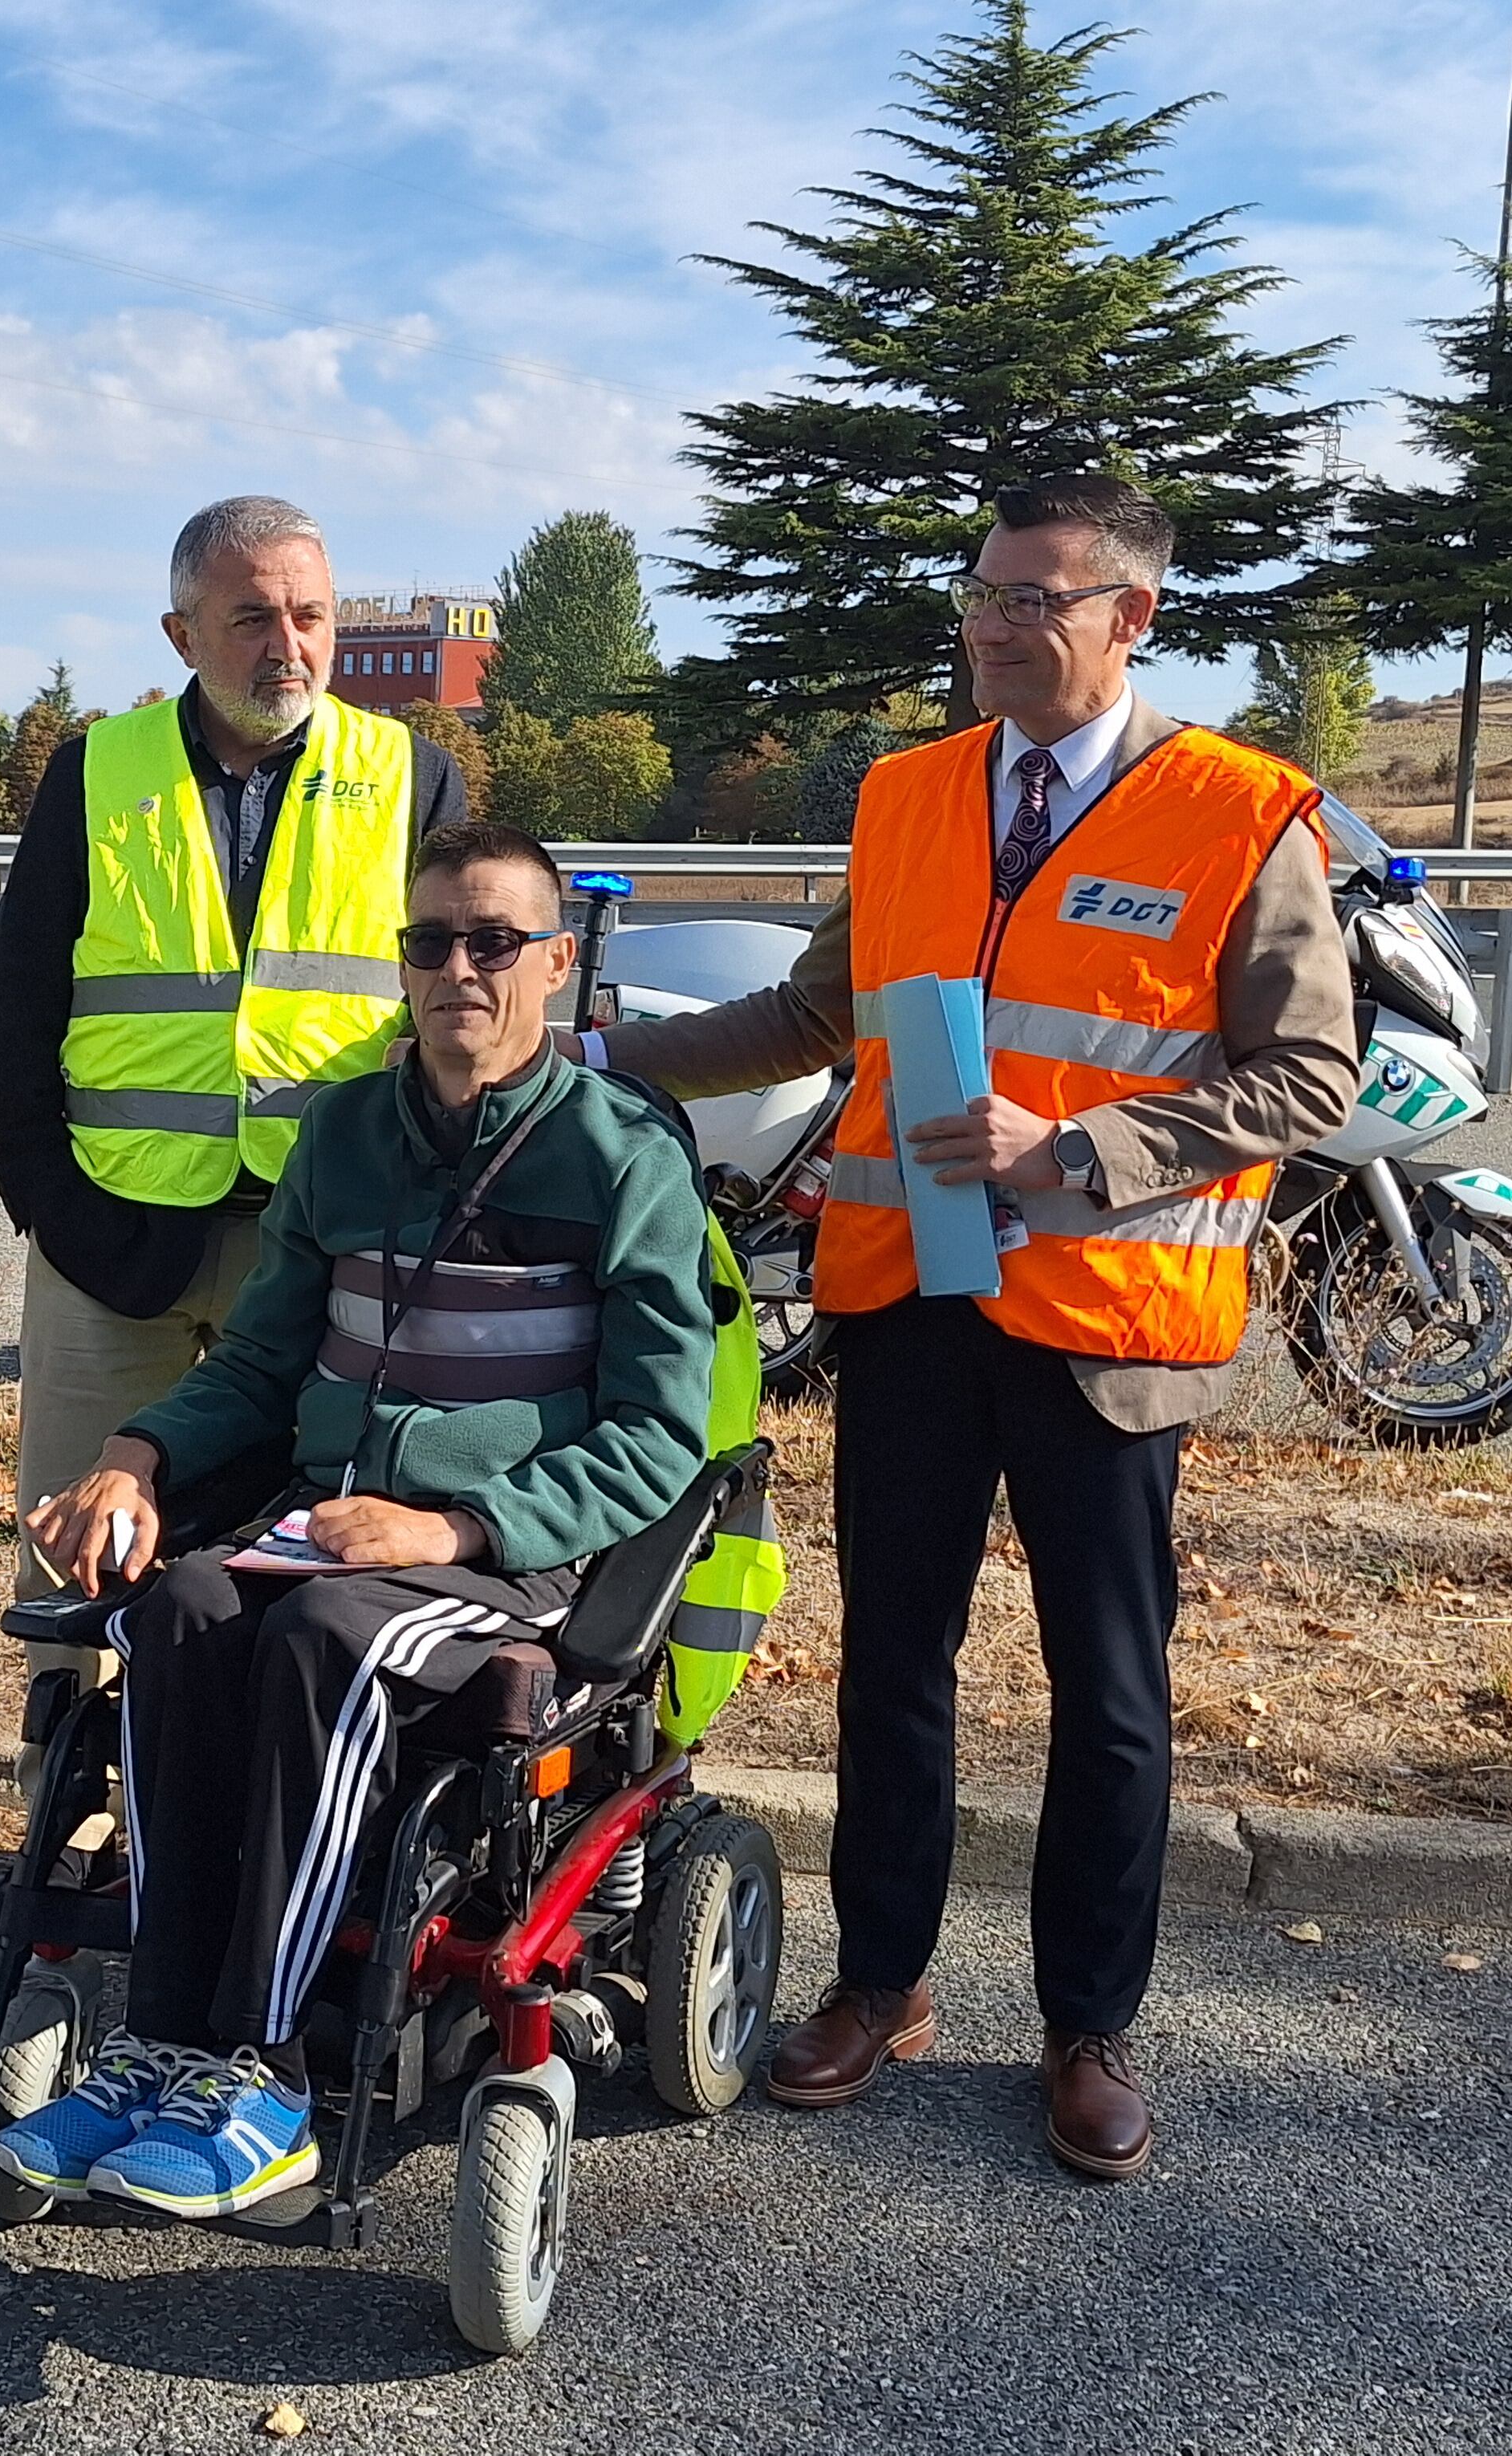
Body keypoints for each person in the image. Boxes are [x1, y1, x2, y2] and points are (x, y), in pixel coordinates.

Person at [582, 474, 1360, 2179]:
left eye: (1038, 599)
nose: (997, 625)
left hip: (1112, 1319)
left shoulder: (1242, 812)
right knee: (895, 1674)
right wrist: (586, 1060)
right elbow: (812, 1012)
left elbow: (1309, 1073)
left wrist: (1078, 1151)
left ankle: (1090, 2028)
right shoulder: (909, 793)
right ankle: (885, 1985)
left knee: (1112, 1695)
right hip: (909, 1302)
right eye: (985, 594)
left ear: (1131, 618)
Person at [0, 820, 717, 2220]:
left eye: (495, 941)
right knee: (180, 1608)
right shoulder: (345, 1132)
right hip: (327, 1519)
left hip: (508, 1555)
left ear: (556, 964)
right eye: (433, 941)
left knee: (324, 1631)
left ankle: (260, 2073)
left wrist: (457, 1532)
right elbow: (261, 1365)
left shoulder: (620, 1159)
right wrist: (136, 1455)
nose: (460, 968)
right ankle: (161, 2042)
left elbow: (660, 1437)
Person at [0, 494, 468, 1608]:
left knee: (284, 1565)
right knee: (71, 1566)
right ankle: (64, 1774)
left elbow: (451, 1013)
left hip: (317, 1249)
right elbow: (15, 1016)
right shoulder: (95, 772)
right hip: (109, 1242)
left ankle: (234, 1784)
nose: (287, 646)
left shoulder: (413, 779)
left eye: (309, 616)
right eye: (250, 618)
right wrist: (47, 1203)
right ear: (180, 634)